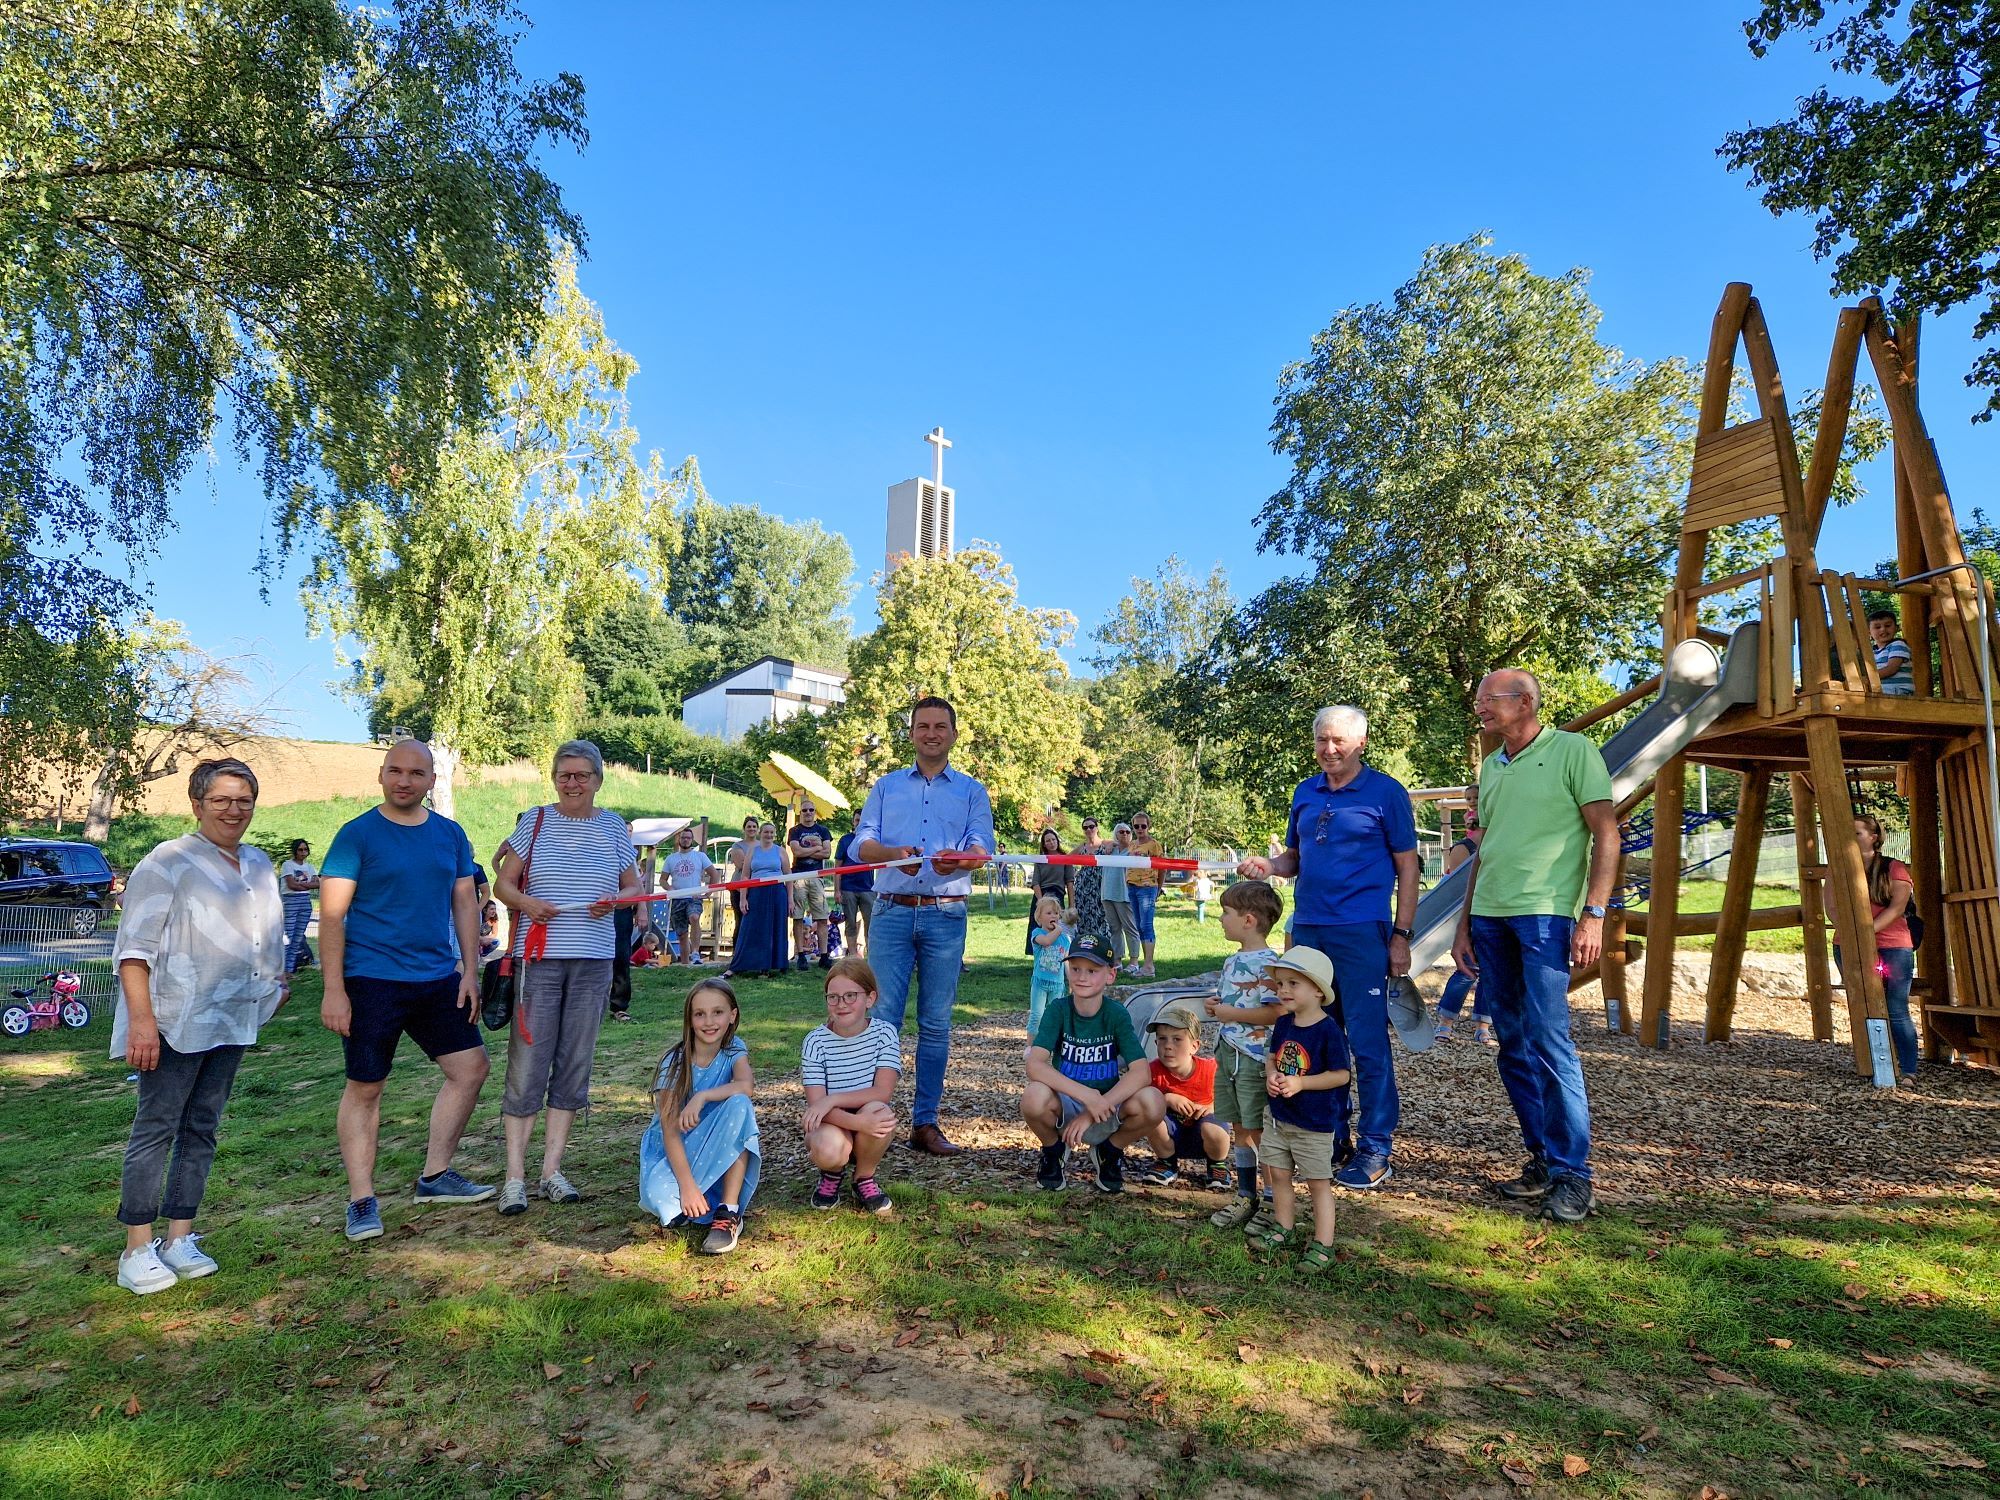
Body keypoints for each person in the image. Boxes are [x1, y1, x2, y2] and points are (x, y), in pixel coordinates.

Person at [110, 759, 289, 1294]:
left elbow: (266, 934)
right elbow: (133, 951)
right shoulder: (168, 862)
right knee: (157, 1126)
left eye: (244, 800)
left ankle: (179, 1238)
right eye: (222, 800)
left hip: (233, 1016)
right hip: (173, 1018)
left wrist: (275, 987)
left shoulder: (259, 865)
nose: (234, 810)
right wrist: (142, 1022)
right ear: (197, 804)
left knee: (203, 1126)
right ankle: (137, 1247)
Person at [1450, 669, 1617, 1225]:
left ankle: (1575, 1176)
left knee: (1550, 1039)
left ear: (1525, 703)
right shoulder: (1491, 766)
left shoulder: (1573, 750)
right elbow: (1486, 849)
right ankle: (1543, 1160)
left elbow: (1606, 834)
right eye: (1479, 701)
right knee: (1512, 1042)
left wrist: (1593, 913)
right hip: (1490, 917)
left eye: (1488, 700)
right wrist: (1463, 923)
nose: (1480, 709)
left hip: (1546, 917)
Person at [1236, 706, 1418, 1191]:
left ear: (1360, 742)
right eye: (1321, 740)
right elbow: (1294, 858)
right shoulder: (1305, 792)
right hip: (1310, 931)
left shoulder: (1386, 793)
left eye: (1338, 740)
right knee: (1314, 1037)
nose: (1329, 749)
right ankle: (1328, 1137)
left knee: (1368, 1043)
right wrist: (1269, 867)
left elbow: (1408, 867)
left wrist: (1402, 934)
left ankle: (1376, 1148)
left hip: (1363, 932)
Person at [321, 740, 494, 1242]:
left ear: (431, 781)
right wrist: (334, 989)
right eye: (395, 770)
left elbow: (465, 900)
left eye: (416, 773)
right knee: (366, 1087)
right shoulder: (357, 835)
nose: (404, 780)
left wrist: (469, 968)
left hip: (438, 976)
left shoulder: (449, 834)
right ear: (381, 775)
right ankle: (361, 1200)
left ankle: (436, 1177)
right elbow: (332, 917)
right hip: (372, 979)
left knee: (470, 1068)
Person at [492, 741, 640, 1215]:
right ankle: (514, 1177)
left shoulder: (615, 826)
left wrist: (615, 901)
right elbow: (503, 884)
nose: (572, 783)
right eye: (564, 775)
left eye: (581, 775)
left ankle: (551, 1171)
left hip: (594, 959)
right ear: (554, 779)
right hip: (539, 957)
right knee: (528, 1063)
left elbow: (633, 885)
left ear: (598, 780)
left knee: (575, 1063)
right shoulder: (534, 821)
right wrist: (529, 904)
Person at [852, 695, 995, 1157]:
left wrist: (962, 862)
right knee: (883, 1020)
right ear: (911, 733)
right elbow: (860, 845)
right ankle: (874, 1119)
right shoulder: (886, 786)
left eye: (940, 726)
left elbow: (981, 848)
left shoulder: (972, 791)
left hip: (946, 914)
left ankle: (925, 1124)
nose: (931, 733)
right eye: (922, 726)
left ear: (953, 734)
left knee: (935, 1023)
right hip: (891, 910)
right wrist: (893, 855)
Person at [1021, 934, 1167, 1194]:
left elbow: (1141, 1072)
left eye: (1092, 970)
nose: (1081, 976)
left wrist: (1098, 1105)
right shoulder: (1058, 1010)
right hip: (1068, 1102)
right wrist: (1086, 1095)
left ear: (1110, 975)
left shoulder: (1116, 1014)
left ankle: (1109, 1151)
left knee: (1153, 1101)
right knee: (1033, 1096)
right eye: (1075, 968)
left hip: (1106, 1105)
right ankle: (1054, 1150)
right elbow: (1035, 1065)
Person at [1244, 947, 1352, 1272]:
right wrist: (1271, 1075)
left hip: (1313, 1123)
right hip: (1278, 1118)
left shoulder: (1329, 1030)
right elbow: (1273, 1055)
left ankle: (1323, 1244)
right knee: (1277, 1173)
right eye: (1281, 984)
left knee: (1318, 1183)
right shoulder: (1284, 1024)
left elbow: (1341, 1074)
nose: (1284, 991)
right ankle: (1284, 1226)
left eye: (1294, 983)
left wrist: (1302, 1084)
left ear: (1318, 989)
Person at [639, 976, 759, 1253]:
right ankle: (695, 1196)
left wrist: (702, 1096)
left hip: (719, 1145)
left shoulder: (734, 1050)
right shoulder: (676, 1062)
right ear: (690, 1019)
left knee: (739, 1105)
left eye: (717, 1012)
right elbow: (670, 1131)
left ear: (732, 1015)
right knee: (661, 1199)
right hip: (676, 1152)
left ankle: (729, 1211)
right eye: (700, 1014)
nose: (709, 1022)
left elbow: (746, 1086)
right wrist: (688, 1186)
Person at [1201, 879, 1284, 1231]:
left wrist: (1230, 1014)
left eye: (1226, 912)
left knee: (1258, 1129)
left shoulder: (1268, 964)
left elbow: (1274, 1014)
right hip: (1228, 1054)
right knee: (1238, 1127)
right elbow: (1229, 1003)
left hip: (1253, 1058)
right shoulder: (1232, 960)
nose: (1221, 919)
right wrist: (1215, 1006)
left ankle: (1271, 1201)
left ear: (1248, 920)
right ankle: (1246, 1194)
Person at [801, 957, 902, 1213]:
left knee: (881, 1113)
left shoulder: (885, 1034)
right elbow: (817, 1107)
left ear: (870, 998)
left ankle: (863, 1176)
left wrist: (832, 1099)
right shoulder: (815, 1041)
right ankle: (832, 1174)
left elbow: (883, 1092)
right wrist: (854, 1121)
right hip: (831, 1123)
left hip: (866, 1113)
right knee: (828, 1148)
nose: (841, 1004)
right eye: (833, 997)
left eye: (850, 996)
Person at [1842, 813, 1919, 1085]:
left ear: (1873, 838)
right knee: (1861, 1001)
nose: (1852, 838)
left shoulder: (1893, 868)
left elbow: (1897, 907)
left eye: (1858, 833)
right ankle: (1872, 1063)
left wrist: (1866, 931)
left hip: (1893, 946)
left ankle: (1908, 1069)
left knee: (1896, 1006)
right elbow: (1831, 906)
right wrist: (1854, 934)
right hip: (1848, 944)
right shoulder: (1840, 867)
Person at [1137, 1000, 1232, 1189]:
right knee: (1151, 1116)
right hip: (1171, 1135)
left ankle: (1217, 1165)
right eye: (1162, 1039)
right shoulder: (1152, 1071)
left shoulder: (1211, 1069)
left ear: (1194, 1046)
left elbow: (1231, 1096)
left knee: (1215, 1127)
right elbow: (1137, 1100)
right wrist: (1165, 1098)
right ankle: (1166, 1162)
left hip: (1205, 1134)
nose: (1168, 1046)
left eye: (1177, 1039)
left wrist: (1211, 1106)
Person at [1434, 791, 1496, 1046]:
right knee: (1467, 970)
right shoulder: (1464, 848)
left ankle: (1483, 1025)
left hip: (1498, 910)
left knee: (1491, 972)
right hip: (1473, 914)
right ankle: (1445, 1021)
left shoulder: (1500, 842)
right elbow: (1457, 889)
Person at [726, 822, 791, 979]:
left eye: (771, 832)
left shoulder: (781, 851)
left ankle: (769, 966)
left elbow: (789, 877)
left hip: (777, 893)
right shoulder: (752, 852)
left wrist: (790, 899)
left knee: (774, 928)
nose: (768, 835)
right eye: (766, 832)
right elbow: (745, 876)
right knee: (750, 927)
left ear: (774, 834)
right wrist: (743, 898)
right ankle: (740, 965)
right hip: (756, 893)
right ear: (760, 833)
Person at [787, 802, 835, 970]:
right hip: (799, 876)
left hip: (817, 877)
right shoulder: (794, 831)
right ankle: (800, 955)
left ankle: (824, 955)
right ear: (801, 812)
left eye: (811, 810)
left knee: (822, 917)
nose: (808, 813)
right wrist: (817, 848)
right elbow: (797, 852)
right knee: (798, 917)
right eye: (805, 810)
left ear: (815, 812)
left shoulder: (823, 831)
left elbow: (827, 853)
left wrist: (807, 850)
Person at [660, 824, 716, 968]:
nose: (686, 840)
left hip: (693, 898)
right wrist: (670, 888)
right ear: (679, 839)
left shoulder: (700, 856)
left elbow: (714, 874)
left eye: (688, 838)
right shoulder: (671, 859)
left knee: (694, 917)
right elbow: (663, 879)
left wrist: (709, 891)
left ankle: (696, 952)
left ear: (692, 840)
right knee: (682, 934)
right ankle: (685, 965)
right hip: (677, 899)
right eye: (683, 837)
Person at [1027, 894, 1073, 1040]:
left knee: (1055, 1016)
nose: (1053, 915)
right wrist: (1058, 931)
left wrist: (1071, 980)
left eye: (1056, 913)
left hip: (1057, 984)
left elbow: (1067, 961)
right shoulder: (1037, 933)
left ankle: (1052, 1046)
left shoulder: (1065, 939)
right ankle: (1030, 1047)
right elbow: (1046, 941)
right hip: (1040, 982)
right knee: (1037, 1015)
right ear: (1039, 917)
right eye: (1048, 913)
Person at [1126, 811, 1166, 977]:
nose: (1140, 829)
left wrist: (1159, 887)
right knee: (1139, 925)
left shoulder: (1154, 845)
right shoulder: (1132, 844)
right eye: (1136, 826)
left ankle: (1149, 965)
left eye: (1143, 826)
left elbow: (1162, 866)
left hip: (1148, 887)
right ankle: (1145, 965)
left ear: (1148, 826)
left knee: (1146, 925)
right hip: (1132, 886)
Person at [1025, 827, 1071, 955]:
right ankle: (1038, 954)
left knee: (1056, 924)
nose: (1051, 842)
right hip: (1042, 894)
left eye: (1053, 839)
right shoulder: (1040, 859)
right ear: (1044, 844)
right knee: (1039, 925)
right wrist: (1041, 902)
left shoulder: (1065, 858)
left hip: (1058, 895)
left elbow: (1070, 882)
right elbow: (1035, 882)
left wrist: (1072, 905)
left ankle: (1059, 953)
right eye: (1048, 841)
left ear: (1057, 840)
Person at [1101, 823, 1139, 970]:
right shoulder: (1109, 850)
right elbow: (1098, 841)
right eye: (1121, 832)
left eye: (1127, 831)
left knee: (1130, 928)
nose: (1124, 834)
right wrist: (1109, 843)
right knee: (1114, 928)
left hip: (1124, 894)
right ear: (1115, 834)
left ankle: (1134, 962)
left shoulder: (1132, 850)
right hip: (1107, 894)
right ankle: (1117, 961)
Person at [833, 824, 874, 960]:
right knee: (850, 923)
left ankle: (872, 957)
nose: (859, 823)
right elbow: (837, 867)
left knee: (871, 924)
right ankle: (852, 957)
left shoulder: (872, 840)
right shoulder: (845, 840)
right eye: (857, 820)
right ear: (853, 822)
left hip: (868, 888)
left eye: (862, 820)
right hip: (848, 888)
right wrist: (837, 890)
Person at [279, 838, 319, 973]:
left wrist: (301, 885)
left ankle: (290, 970)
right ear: (295, 851)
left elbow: (318, 884)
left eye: (305, 849)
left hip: (305, 901)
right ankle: (281, 970)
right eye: (300, 850)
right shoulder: (287, 865)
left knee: (298, 937)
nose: (303, 852)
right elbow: (291, 885)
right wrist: (308, 885)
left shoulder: (310, 867)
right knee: (288, 936)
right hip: (291, 901)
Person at [1070, 817, 1111, 948]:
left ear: (1097, 828)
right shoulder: (1082, 847)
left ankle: (1103, 948)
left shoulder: (1105, 843)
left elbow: (1122, 843)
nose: (1088, 829)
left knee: (1102, 917)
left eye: (1091, 826)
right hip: (1083, 887)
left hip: (1100, 885)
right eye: (1085, 827)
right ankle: (1085, 948)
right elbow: (1066, 859)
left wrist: (1111, 845)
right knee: (1083, 917)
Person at [726, 814, 759, 950]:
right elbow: (741, 864)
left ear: (757, 829)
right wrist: (759, 864)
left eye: (754, 826)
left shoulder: (762, 845)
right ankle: (737, 952)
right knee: (740, 921)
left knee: (755, 922)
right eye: (749, 826)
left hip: (756, 889)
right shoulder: (737, 846)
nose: (751, 829)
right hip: (738, 889)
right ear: (744, 829)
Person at [1868, 609, 1915, 696]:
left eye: (1888, 625)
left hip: (1898, 691)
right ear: (1869, 632)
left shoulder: (1898, 645)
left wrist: (1868, 678)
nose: (1883, 629)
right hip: (1884, 690)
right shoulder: (1872, 652)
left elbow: (1891, 669)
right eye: (1877, 627)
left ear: (1896, 628)